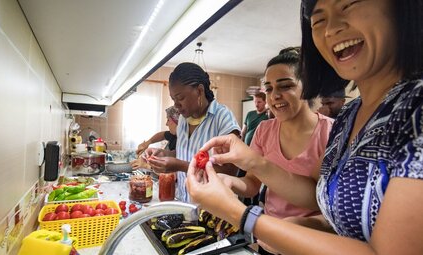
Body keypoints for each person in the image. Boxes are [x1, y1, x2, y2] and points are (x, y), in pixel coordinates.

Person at [187, 0, 423, 254]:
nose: (330, 29)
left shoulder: (414, 111)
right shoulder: (349, 117)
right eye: (318, 19)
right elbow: (320, 199)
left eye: (349, 5)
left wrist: (245, 217)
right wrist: (253, 162)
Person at [220, 47, 334, 254]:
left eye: (285, 86)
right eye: (269, 89)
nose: (274, 96)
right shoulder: (264, 130)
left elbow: (332, 204)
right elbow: (253, 184)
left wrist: (301, 224)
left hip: (310, 242)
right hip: (269, 235)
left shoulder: (332, 133)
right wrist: (228, 182)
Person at [145, 62, 241, 202]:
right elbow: (185, 152)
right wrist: (163, 154)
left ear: (200, 91)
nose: (176, 105)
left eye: (181, 98)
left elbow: (231, 171)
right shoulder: (184, 119)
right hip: (186, 202)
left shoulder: (222, 118)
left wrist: (179, 165)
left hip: (213, 209)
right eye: (173, 99)